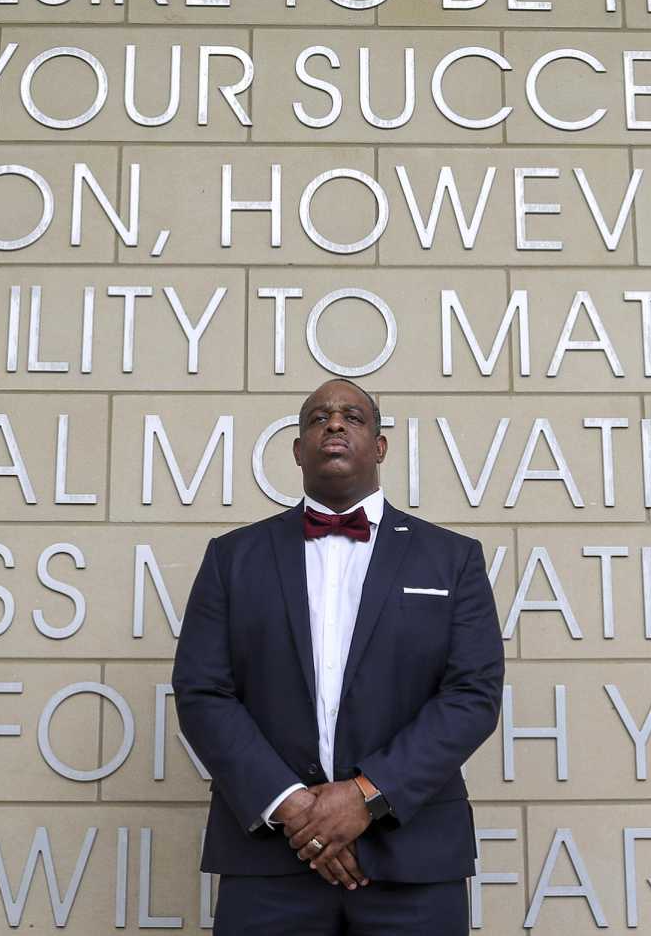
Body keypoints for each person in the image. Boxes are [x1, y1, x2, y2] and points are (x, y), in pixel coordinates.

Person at [172, 377, 504, 934]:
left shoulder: (453, 559)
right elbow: (203, 692)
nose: (334, 424)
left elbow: (472, 695)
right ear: (299, 449)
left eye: (353, 416)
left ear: (379, 445)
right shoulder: (232, 558)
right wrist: (298, 810)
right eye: (317, 417)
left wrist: (365, 798)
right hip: (270, 864)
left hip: (413, 861)